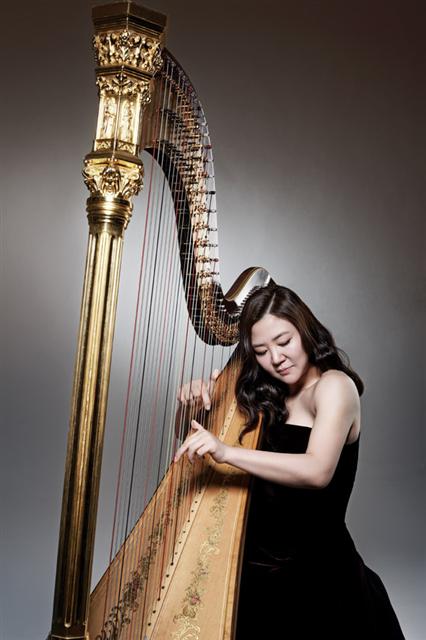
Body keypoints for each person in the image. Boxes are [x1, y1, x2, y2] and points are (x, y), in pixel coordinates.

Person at [175, 284, 405, 639]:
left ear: (305, 330)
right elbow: (191, 442)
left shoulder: (334, 386)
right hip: (255, 574)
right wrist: (191, 404)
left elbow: (317, 471)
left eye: (284, 342)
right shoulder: (264, 391)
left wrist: (226, 452)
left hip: (318, 579)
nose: (276, 358)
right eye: (262, 351)